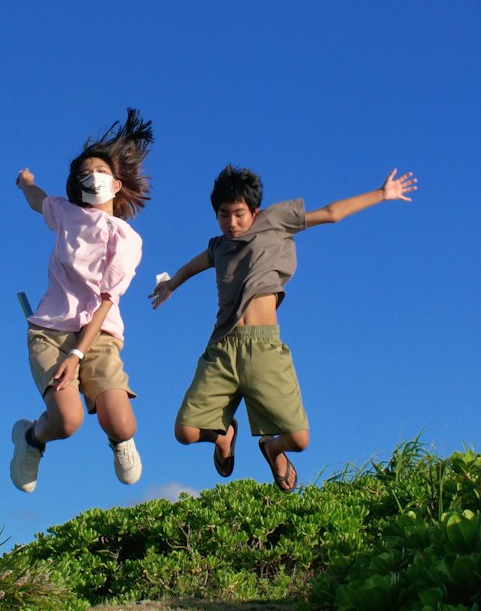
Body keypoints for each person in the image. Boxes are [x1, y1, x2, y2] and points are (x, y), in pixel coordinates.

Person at [150, 164, 417, 492]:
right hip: (223, 346)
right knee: (185, 432)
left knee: (299, 440)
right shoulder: (218, 247)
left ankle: (272, 448)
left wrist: (382, 193)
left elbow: (331, 214)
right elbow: (193, 266)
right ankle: (224, 436)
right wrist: (171, 284)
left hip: (263, 346)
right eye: (223, 215)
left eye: (239, 214)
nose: (231, 223)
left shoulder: (275, 221)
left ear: (254, 211)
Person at [8, 109, 154, 493]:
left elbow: (106, 301)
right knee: (67, 421)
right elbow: (39, 201)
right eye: (85, 173)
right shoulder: (67, 214)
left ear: (116, 184)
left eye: (100, 171)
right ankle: (30, 438)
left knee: (121, 422)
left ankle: (120, 441)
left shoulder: (127, 239)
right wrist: (26, 183)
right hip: (51, 331)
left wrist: (77, 356)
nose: (93, 177)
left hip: (99, 334)